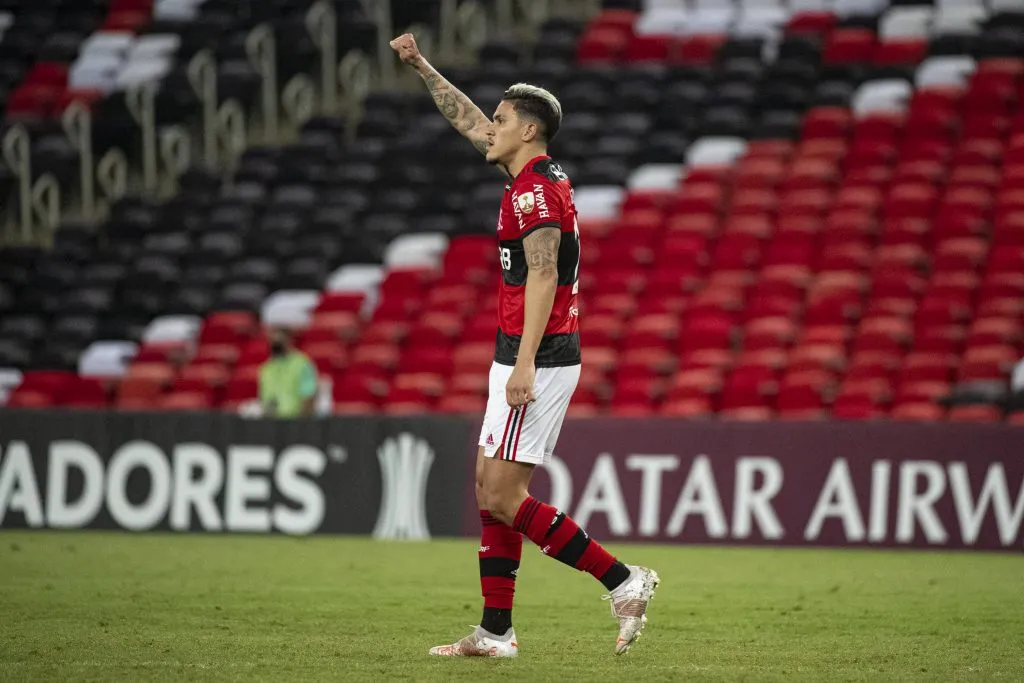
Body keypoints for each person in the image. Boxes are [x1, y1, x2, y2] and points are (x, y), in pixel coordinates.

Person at [390, 33, 660, 658]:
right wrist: (422, 66)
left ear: (530, 130)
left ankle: (623, 581)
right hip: (516, 347)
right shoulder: (529, 174)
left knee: (504, 496)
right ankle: (495, 631)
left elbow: (544, 273)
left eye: (504, 119)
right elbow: (469, 123)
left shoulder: (536, 192)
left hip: (537, 354)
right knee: (489, 489)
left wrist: (526, 363)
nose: (492, 127)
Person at [258, 327, 318, 418]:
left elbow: (308, 397)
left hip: (295, 422)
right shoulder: (266, 368)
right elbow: (264, 399)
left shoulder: (302, 363)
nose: (276, 340)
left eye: (280, 337)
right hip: (272, 423)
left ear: (289, 339)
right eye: (273, 337)